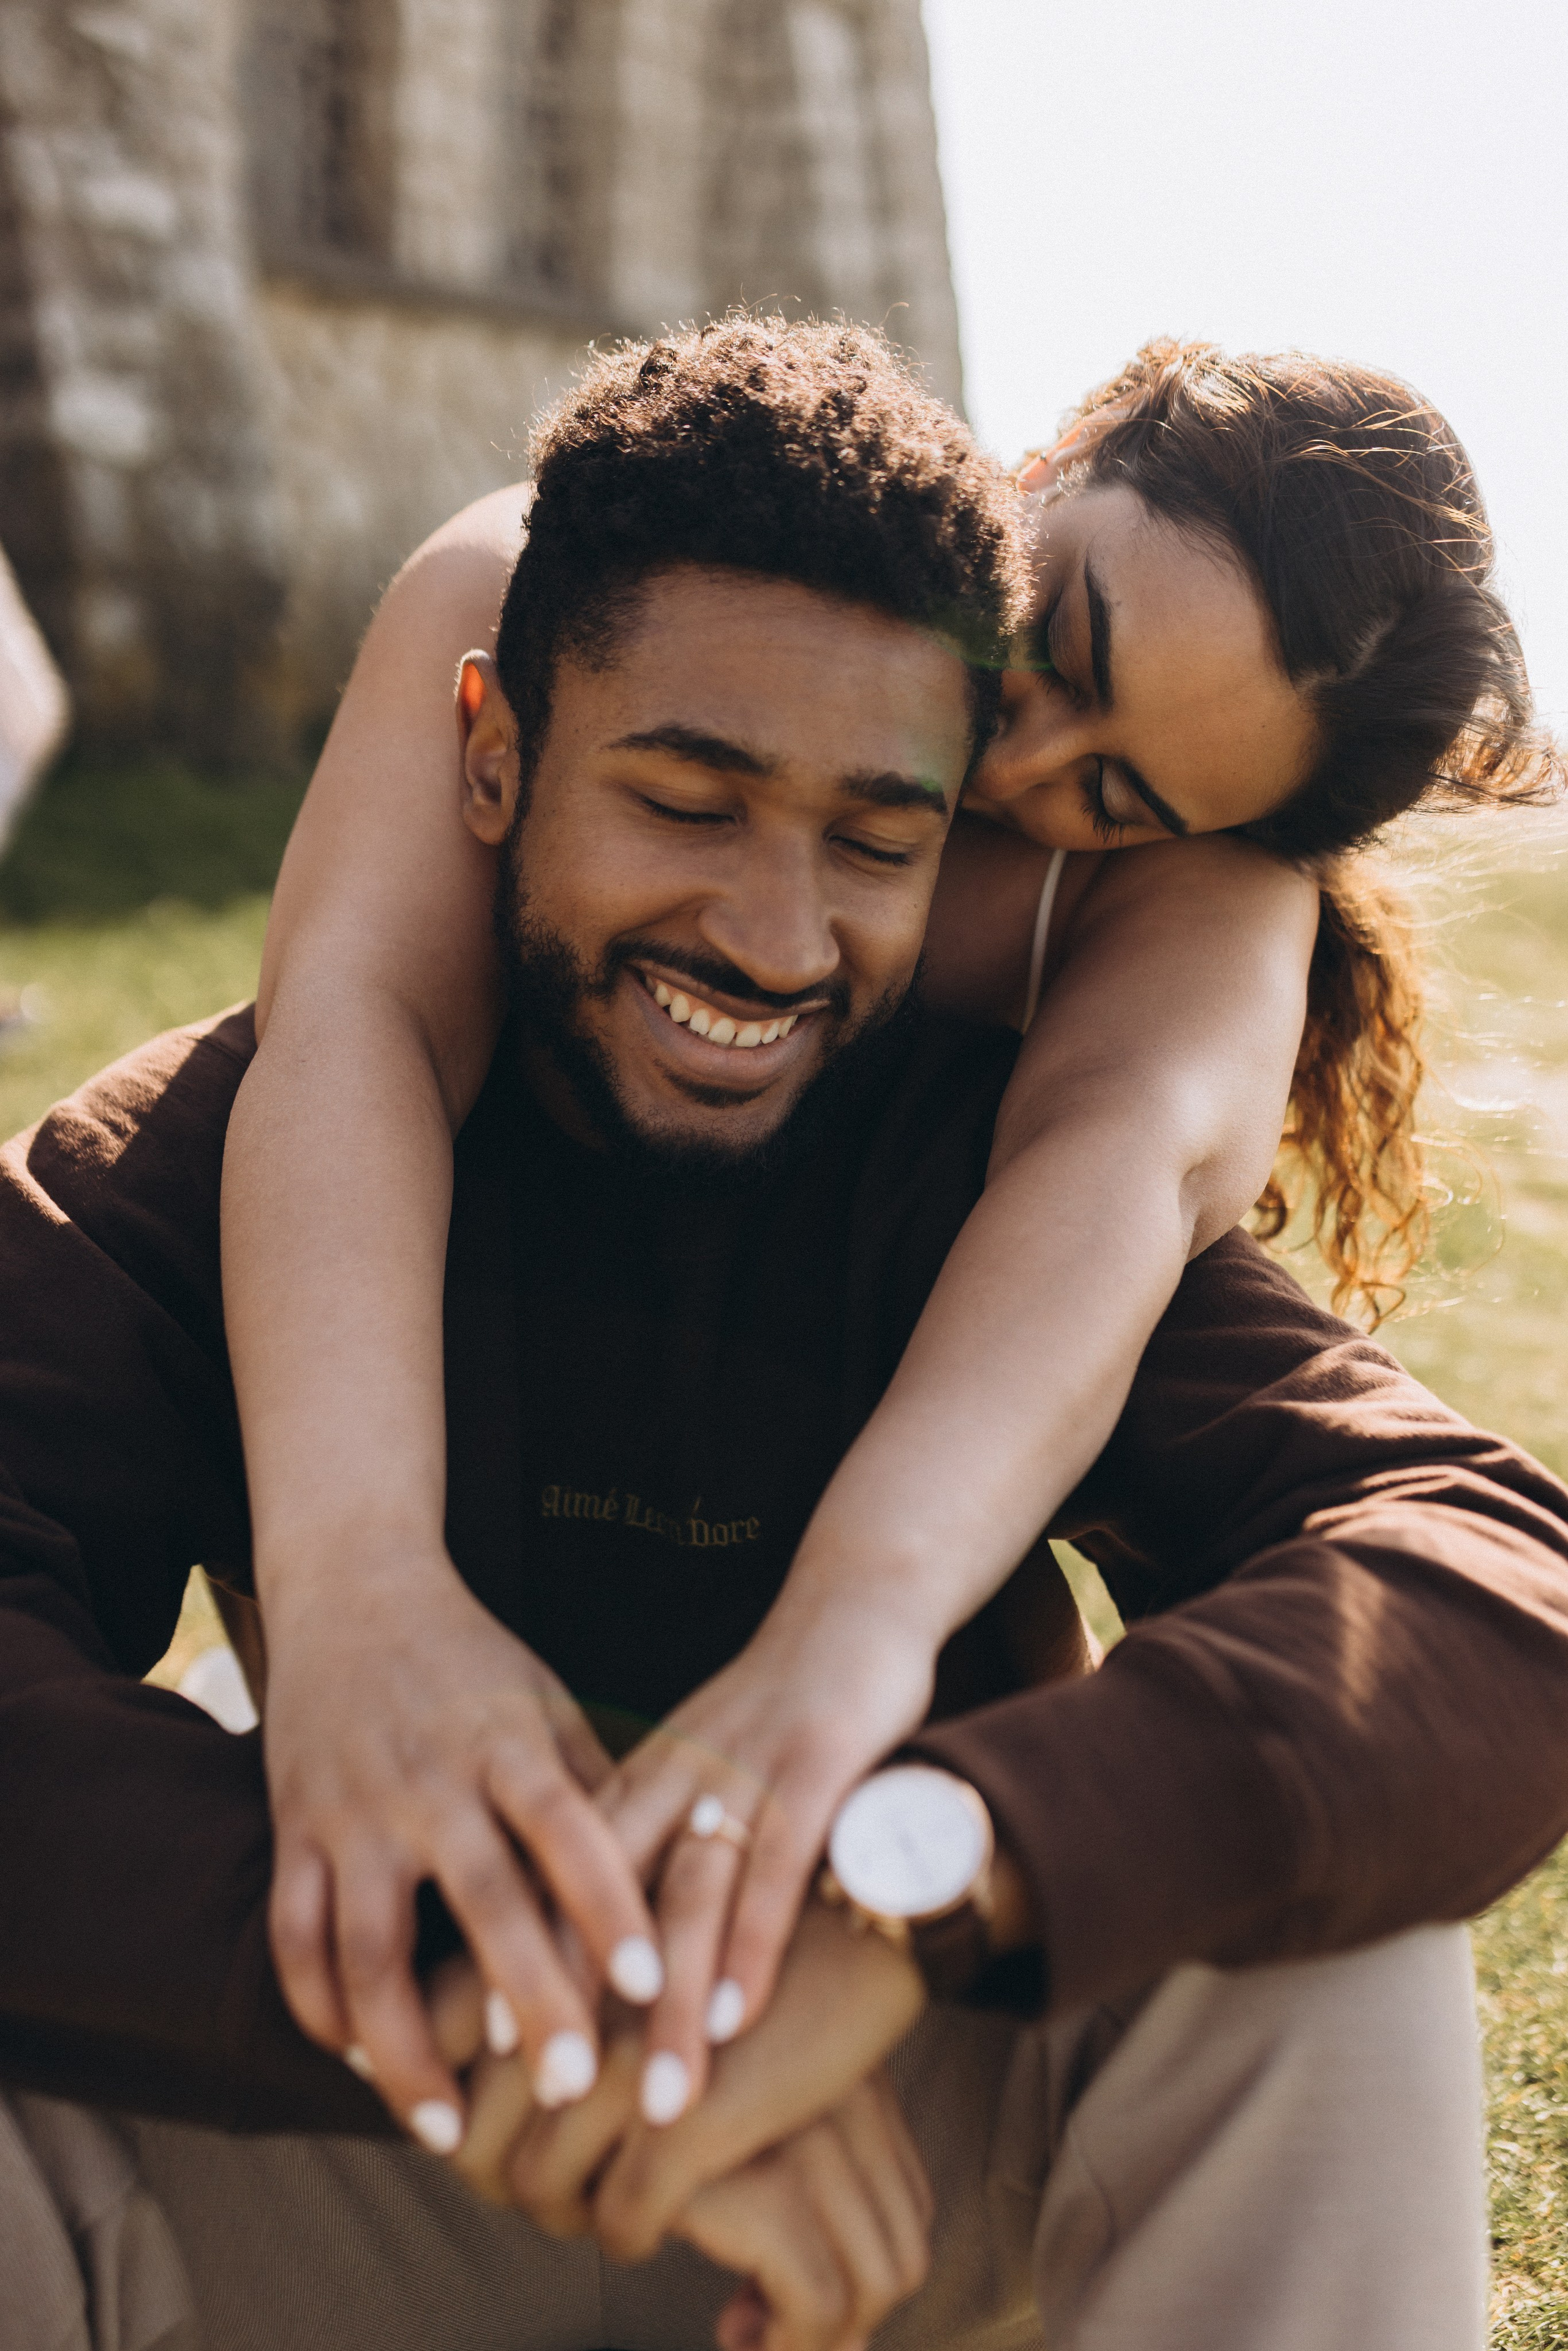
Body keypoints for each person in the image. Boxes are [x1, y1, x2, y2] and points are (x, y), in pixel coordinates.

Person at [2, 318, 1568, 2351]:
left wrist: (921, 1844)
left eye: (1102, 792)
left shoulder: (1067, 1045)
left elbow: (1444, 1545)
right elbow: (359, 1028)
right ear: (503, 749)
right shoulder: (493, 643)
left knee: (1326, 1946)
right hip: (362, 2109)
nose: (1013, 776)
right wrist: (382, 1664)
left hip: (879, 2124)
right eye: (688, 794)